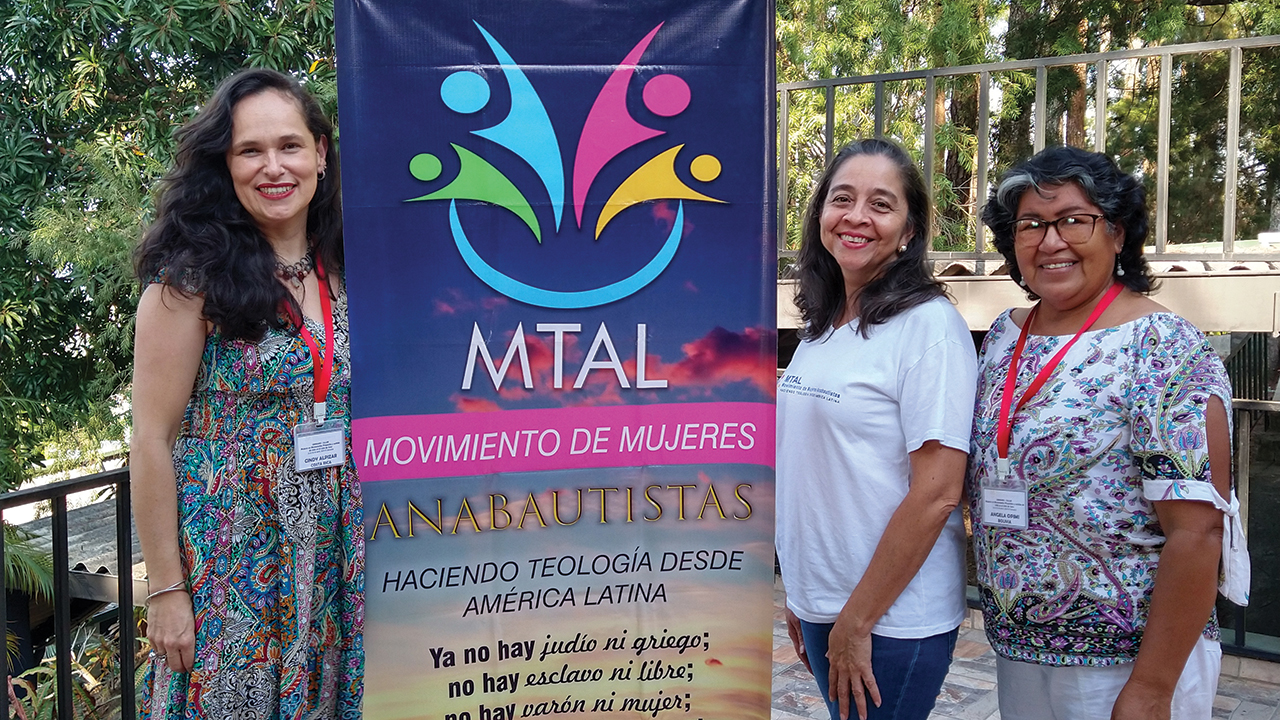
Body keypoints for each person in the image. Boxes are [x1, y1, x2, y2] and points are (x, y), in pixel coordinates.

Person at [970, 145, 1248, 720]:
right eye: (1031, 224)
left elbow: (1196, 533)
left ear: (1117, 234)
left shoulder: (1164, 348)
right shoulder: (1003, 333)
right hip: (1019, 647)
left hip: (1126, 663)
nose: (1051, 241)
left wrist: (1150, 689)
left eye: (1075, 219)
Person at [131, 68, 364, 719]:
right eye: (249, 151)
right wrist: (167, 589)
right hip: (229, 563)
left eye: (289, 145)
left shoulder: (349, 267)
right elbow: (151, 438)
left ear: (320, 152)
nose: (273, 167)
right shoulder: (189, 284)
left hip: (335, 551)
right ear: (225, 166)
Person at [776, 138, 977, 720]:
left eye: (881, 204)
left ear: (910, 230)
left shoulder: (928, 328)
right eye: (842, 198)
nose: (857, 216)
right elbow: (810, 467)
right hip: (826, 600)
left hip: (889, 617)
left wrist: (856, 619)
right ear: (820, 216)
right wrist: (803, 593)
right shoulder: (823, 324)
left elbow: (938, 492)